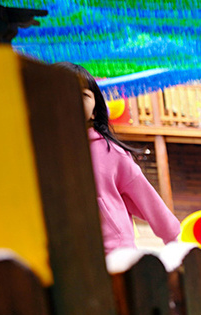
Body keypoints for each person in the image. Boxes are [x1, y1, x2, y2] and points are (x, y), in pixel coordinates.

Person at [59, 63, 180, 254]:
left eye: (83, 95)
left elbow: (145, 197)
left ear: (95, 111)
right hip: (68, 256)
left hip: (115, 252)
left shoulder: (111, 153)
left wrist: (171, 236)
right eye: (63, 90)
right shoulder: (42, 152)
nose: (72, 97)